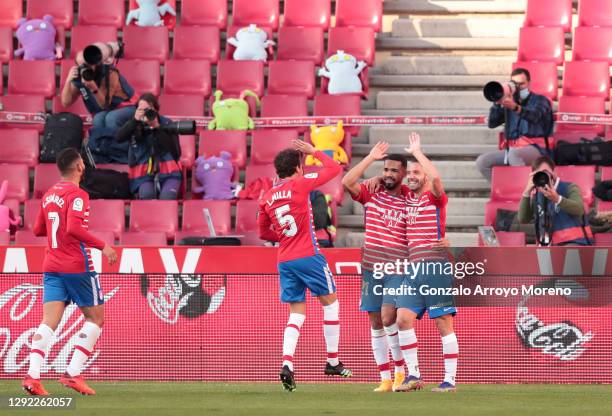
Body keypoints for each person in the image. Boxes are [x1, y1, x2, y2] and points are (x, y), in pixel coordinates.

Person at [22, 148, 118, 396]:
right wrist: (103, 246)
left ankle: (33, 377)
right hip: (76, 265)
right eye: (83, 164)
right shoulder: (78, 195)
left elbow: (37, 229)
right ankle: (73, 373)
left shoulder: (49, 195)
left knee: (48, 323)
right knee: (96, 318)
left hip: (51, 264)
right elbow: (75, 228)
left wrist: (60, 229)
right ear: (79, 167)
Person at [258, 140, 351, 392]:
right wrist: (313, 152)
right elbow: (333, 169)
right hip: (309, 255)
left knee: (296, 313)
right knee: (332, 304)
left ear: (278, 172)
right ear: (298, 170)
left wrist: (285, 236)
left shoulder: (266, 197)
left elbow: (264, 232)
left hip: (285, 260)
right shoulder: (300, 184)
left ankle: (287, 363)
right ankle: (332, 361)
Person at [342, 141, 409, 392]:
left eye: (394, 170)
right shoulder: (371, 193)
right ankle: (385, 378)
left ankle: (401, 372)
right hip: (372, 267)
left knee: (389, 317)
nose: (389, 174)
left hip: (398, 268)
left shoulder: (410, 199)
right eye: (386, 170)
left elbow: (432, 187)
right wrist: (370, 158)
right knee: (375, 322)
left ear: (403, 173)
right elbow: (346, 183)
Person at [394, 132, 458, 393]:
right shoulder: (407, 197)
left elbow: (437, 179)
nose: (412, 176)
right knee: (402, 319)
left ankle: (450, 380)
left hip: (434, 266)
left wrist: (418, 153)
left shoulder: (435, 198)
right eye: (410, 172)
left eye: (417, 173)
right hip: (413, 268)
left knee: (443, 323)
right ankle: (414, 376)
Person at [477, 67, 554, 181]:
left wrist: (515, 107)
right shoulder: (509, 102)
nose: (518, 88)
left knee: (514, 155)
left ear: (529, 83)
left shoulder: (541, 100)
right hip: (513, 148)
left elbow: (535, 116)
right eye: (515, 84)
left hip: (537, 149)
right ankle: (504, 191)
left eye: (521, 84)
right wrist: (497, 103)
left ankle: (524, 194)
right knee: (483, 162)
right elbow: (492, 123)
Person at [115, 93, 182, 200]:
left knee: (167, 197)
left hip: (169, 172)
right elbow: (118, 138)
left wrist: (157, 127)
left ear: (156, 109)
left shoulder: (167, 123)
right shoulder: (134, 125)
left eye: (148, 110)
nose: (145, 113)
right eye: (141, 110)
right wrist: (134, 121)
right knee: (146, 196)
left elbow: (176, 151)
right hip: (143, 174)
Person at [518, 156, 593, 246]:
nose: (543, 176)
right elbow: (523, 218)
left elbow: (579, 209)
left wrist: (557, 199)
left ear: (554, 172)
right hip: (547, 244)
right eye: (538, 173)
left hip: (574, 242)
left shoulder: (570, 187)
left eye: (545, 172)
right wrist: (527, 192)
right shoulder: (537, 194)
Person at [61, 42, 135, 132]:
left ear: (93, 61)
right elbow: (66, 103)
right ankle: (99, 146)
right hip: (104, 112)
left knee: (111, 118)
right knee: (98, 119)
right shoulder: (81, 75)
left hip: (126, 107)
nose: (85, 68)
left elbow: (104, 104)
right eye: (82, 66)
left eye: (87, 64)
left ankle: (116, 146)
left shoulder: (109, 73)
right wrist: (68, 81)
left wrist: (94, 89)